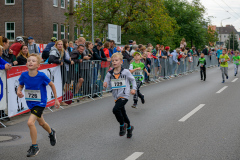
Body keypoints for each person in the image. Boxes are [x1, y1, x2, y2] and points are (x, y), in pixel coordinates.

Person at [17, 54, 59, 157]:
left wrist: (56, 99)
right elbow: (21, 85)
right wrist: (19, 91)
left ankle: (35, 147)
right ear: (26, 64)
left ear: (38, 65)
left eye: (33, 61)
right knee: (41, 123)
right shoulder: (24, 75)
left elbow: (52, 85)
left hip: (40, 103)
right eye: (29, 60)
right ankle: (51, 132)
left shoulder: (41, 76)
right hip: (31, 103)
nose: (30, 62)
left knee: (30, 122)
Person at [103, 53, 136, 138]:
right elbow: (105, 80)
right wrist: (105, 83)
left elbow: (133, 80)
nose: (114, 62)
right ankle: (129, 127)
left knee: (115, 110)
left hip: (124, 95)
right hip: (116, 96)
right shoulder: (110, 73)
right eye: (113, 61)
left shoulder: (126, 72)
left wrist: (134, 89)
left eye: (116, 60)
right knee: (123, 113)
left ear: (121, 62)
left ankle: (122, 125)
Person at [61, 39, 74, 105]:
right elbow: (64, 59)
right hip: (64, 67)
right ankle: (63, 98)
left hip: (68, 68)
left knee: (68, 83)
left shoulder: (67, 50)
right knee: (64, 83)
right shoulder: (63, 50)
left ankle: (67, 97)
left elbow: (68, 57)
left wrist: (70, 59)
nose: (68, 44)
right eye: (67, 43)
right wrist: (69, 61)